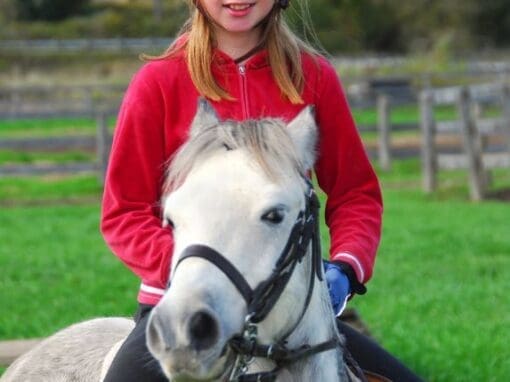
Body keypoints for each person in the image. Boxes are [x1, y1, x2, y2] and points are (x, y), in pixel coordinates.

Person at [101, 0, 422, 381]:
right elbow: (124, 212)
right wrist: (202, 270)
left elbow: (355, 194)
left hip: (292, 316)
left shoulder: (314, 76)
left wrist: (347, 266)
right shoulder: (158, 82)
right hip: (187, 310)